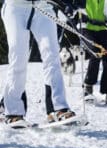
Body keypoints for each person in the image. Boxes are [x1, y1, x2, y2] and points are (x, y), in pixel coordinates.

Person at [1, 0, 78, 128]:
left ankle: (57, 108)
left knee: (52, 54)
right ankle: (13, 111)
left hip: (43, 7)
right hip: (15, 6)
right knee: (18, 56)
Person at [82, 0, 107, 106]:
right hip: (87, 28)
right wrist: (81, 16)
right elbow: (77, 8)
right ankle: (88, 87)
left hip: (102, 28)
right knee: (96, 54)